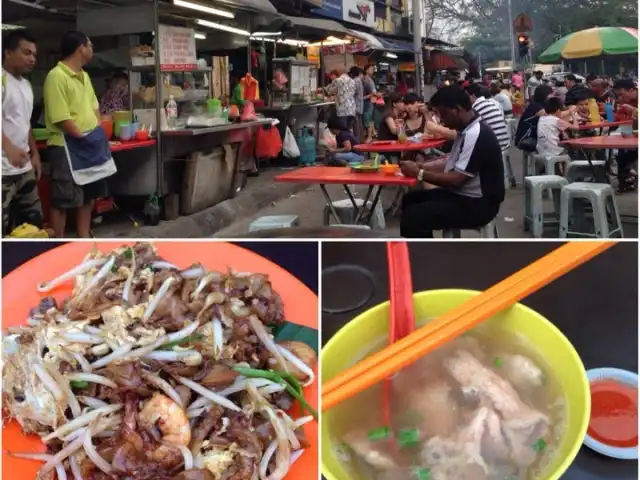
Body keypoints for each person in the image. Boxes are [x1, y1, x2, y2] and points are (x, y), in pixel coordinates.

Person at [399, 85, 505, 238]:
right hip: (465, 196)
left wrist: (419, 173)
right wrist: (421, 166)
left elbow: (457, 180)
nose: (441, 120)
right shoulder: (466, 130)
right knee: (410, 199)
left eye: (444, 115)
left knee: (413, 217)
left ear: (457, 109)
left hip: (479, 204)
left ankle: (421, 259)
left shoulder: (476, 134)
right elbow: (453, 162)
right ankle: (423, 250)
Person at [43, 30, 106, 238]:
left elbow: (94, 108)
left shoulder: (85, 76)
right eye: (90, 46)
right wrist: (83, 138)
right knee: (63, 198)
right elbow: (61, 117)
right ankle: (58, 242)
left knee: (87, 196)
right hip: (64, 145)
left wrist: (97, 134)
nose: (92, 50)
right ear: (81, 48)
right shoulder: (56, 76)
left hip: (87, 144)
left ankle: (83, 238)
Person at [1, 29, 43, 235]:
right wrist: (8, 148)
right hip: (2, 172)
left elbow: (25, 123)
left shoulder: (26, 85)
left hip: (24, 169)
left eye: (34, 54)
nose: (32, 59)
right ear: (8, 52)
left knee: (34, 226)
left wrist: (34, 154)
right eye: (26, 53)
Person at [465, 83, 510, 152]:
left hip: (496, 147)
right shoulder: (490, 103)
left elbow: (467, 129)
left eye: (467, 97)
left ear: (473, 96)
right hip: (505, 143)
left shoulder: (476, 107)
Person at [536, 97, 578, 161]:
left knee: (562, 143)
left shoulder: (541, 119)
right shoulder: (556, 120)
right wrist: (572, 114)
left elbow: (564, 136)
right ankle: (566, 169)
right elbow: (576, 127)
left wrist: (563, 132)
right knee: (569, 148)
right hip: (553, 151)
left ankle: (557, 167)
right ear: (558, 111)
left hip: (541, 150)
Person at [326, 68, 357, 133]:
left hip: (342, 109)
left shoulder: (337, 80)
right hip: (352, 109)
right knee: (349, 129)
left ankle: (345, 143)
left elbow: (329, 91)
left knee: (342, 131)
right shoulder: (352, 81)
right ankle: (352, 142)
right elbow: (353, 93)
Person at [362, 64, 377, 142]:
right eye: (371, 69)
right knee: (368, 119)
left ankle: (369, 136)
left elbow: (373, 93)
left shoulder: (369, 80)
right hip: (366, 102)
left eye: (372, 69)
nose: (372, 71)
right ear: (366, 70)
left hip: (368, 103)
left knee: (368, 119)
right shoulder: (366, 79)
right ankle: (370, 135)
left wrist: (364, 97)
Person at [349, 66, 364, 142]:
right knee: (359, 125)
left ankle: (357, 142)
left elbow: (352, 92)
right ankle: (360, 141)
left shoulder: (355, 81)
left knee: (356, 127)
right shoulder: (358, 80)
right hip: (359, 106)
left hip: (356, 106)